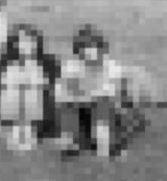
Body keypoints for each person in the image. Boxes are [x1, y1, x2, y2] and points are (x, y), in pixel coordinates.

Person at [54, 24, 144, 159]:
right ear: (78, 51)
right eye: (83, 48)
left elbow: (116, 91)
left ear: (101, 48)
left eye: (92, 47)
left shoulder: (111, 67)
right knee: (68, 108)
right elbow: (71, 90)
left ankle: (106, 142)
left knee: (103, 104)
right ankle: (70, 142)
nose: (89, 52)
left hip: (103, 106)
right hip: (77, 105)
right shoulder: (72, 67)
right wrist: (84, 96)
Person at [0, 23, 59, 152]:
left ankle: (30, 131)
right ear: (14, 44)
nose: (26, 45)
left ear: (37, 43)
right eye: (21, 42)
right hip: (14, 100)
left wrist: (36, 81)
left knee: (32, 92)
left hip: (40, 101)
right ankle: (16, 130)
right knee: (14, 89)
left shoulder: (48, 62)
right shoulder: (6, 62)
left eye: (30, 41)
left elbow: (54, 83)